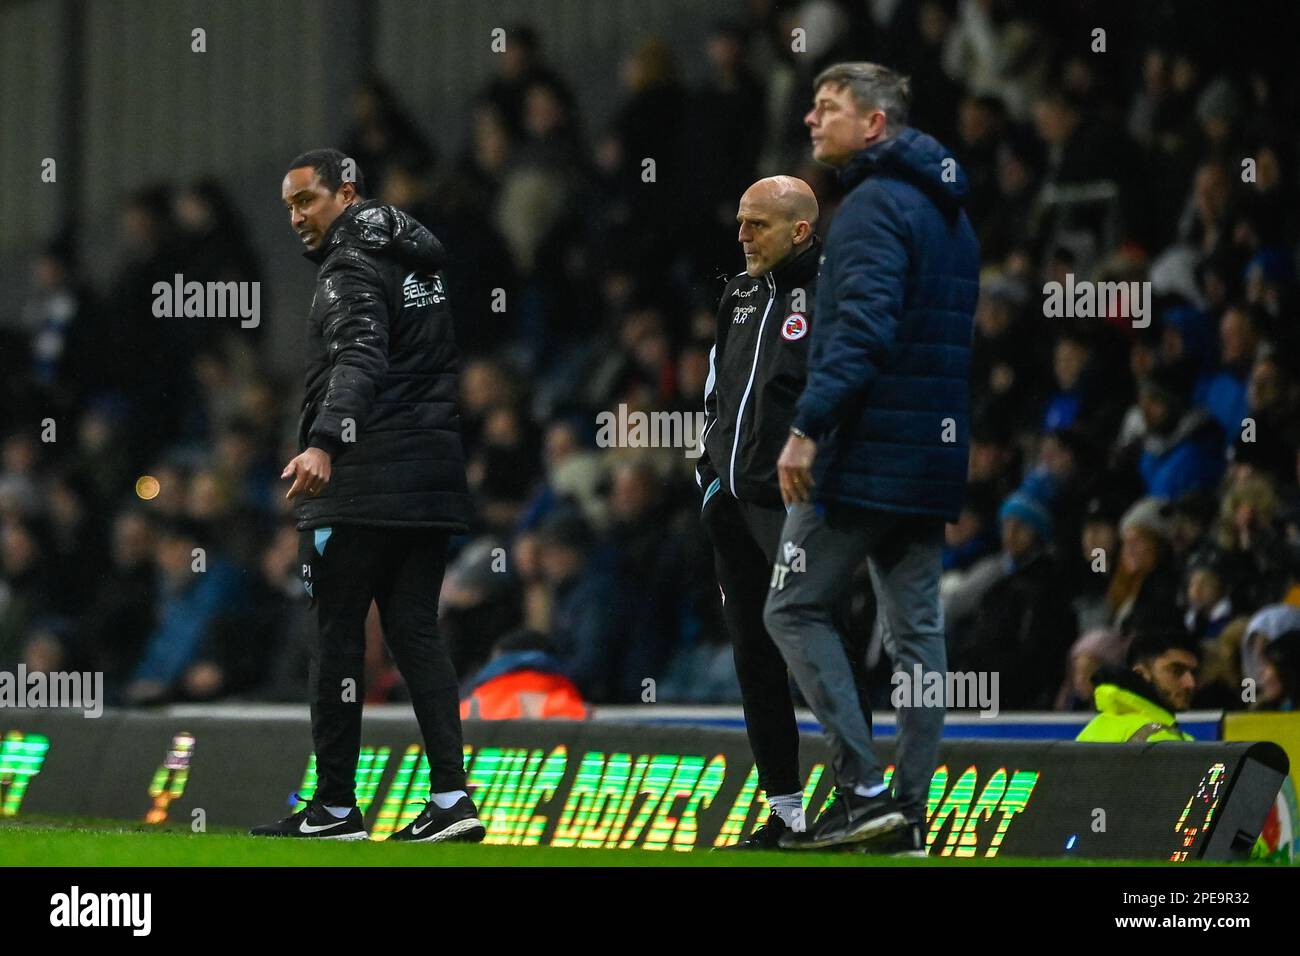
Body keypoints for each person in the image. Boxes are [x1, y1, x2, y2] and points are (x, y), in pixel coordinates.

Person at [764, 63, 979, 852]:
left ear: (876, 126)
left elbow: (861, 331)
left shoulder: (870, 210)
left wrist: (808, 427)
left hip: (863, 455)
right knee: (916, 633)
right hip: (929, 458)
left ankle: (861, 790)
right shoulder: (951, 212)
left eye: (829, 109)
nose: (813, 121)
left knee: (790, 607)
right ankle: (909, 816)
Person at [251, 149, 482, 844]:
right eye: (288, 205)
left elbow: (360, 357)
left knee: (336, 637)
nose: (295, 217)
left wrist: (325, 441)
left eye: (307, 201)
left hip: (363, 481)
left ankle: (335, 807)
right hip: (431, 475)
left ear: (346, 194)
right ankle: (451, 799)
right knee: (415, 631)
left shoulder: (348, 268)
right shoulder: (418, 262)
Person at [699, 175, 869, 849]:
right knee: (753, 657)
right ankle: (787, 809)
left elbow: (846, 387)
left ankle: (859, 794)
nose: (742, 236)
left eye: (757, 225)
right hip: (732, 505)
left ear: (800, 229)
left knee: (817, 648)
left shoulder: (830, 293)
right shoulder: (737, 295)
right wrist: (710, 480)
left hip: (795, 504)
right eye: (740, 222)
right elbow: (717, 393)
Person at [1077, 629, 1199, 742]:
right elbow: (1204, 766)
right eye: (1176, 671)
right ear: (1140, 674)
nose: (1190, 683)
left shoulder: (1092, 730)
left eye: (1193, 673)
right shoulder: (1161, 739)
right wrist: (1218, 760)